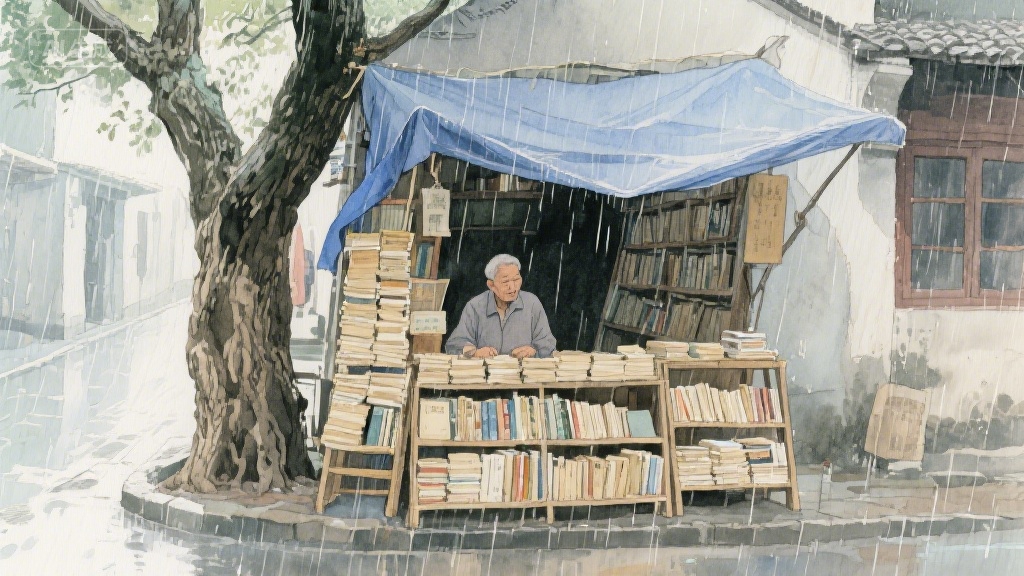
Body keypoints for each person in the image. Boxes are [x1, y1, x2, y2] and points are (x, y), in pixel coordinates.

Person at [445, 254, 557, 359]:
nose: (512, 288)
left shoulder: (532, 303)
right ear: (491, 285)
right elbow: (454, 344)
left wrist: (533, 350)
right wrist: (475, 352)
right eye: (505, 281)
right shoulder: (475, 306)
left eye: (516, 279)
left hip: (521, 374)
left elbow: (548, 343)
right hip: (486, 375)